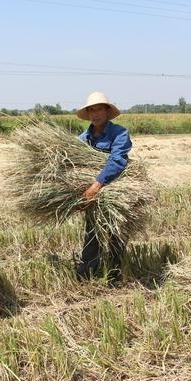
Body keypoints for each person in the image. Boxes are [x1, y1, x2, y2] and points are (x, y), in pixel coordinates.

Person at [75, 91, 132, 282]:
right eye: (91, 110)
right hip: (93, 195)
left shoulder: (120, 133)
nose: (95, 114)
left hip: (115, 190)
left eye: (99, 109)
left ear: (107, 111)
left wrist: (97, 184)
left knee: (116, 233)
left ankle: (114, 277)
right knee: (93, 233)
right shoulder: (83, 139)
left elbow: (117, 161)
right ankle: (87, 277)